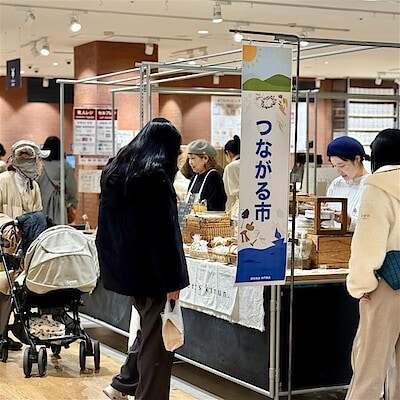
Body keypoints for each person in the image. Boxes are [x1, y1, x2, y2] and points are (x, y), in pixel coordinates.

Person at [96, 118, 189, 400]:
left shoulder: (116, 172)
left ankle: (124, 383)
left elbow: (106, 228)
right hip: (155, 273)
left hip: (127, 270)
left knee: (148, 331)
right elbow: (164, 237)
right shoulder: (156, 179)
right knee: (158, 344)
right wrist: (173, 280)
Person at [345, 128, 400, 400]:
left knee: (369, 365)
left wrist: (361, 285)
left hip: (387, 284)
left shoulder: (378, 186)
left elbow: (368, 243)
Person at [0, 139, 49, 351]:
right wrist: (9, 226)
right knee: (2, 290)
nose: (38, 166)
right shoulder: (2, 181)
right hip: (4, 245)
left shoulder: (33, 186)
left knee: (14, 291)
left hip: (24, 248)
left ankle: (5, 332)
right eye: (36, 161)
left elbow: (37, 213)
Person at [326, 136, 370, 231]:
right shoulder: (336, 184)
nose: (338, 170)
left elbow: (374, 224)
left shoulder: (370, 185)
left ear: (357, 159)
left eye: (342, 166)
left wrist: (350, 222)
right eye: (334, 166)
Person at [36, 136, 78, 225]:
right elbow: (71, 186)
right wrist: (73, 202)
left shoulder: (39, 165)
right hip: (58, 202)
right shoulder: (65, 165)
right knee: (58, 228)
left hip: (40, 202)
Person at [186, 139, 227, 212]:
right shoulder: (195, 177)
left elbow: (216, 207)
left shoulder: (213, 176)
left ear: (205, 158)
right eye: (189, 158)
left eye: (193, 158)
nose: (190, 162)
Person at [223, 135, 240, 217]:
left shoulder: (231, 167)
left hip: (237, 209)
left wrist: (226, 213)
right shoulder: (251, 164)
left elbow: (228, 194)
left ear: (228, 153)